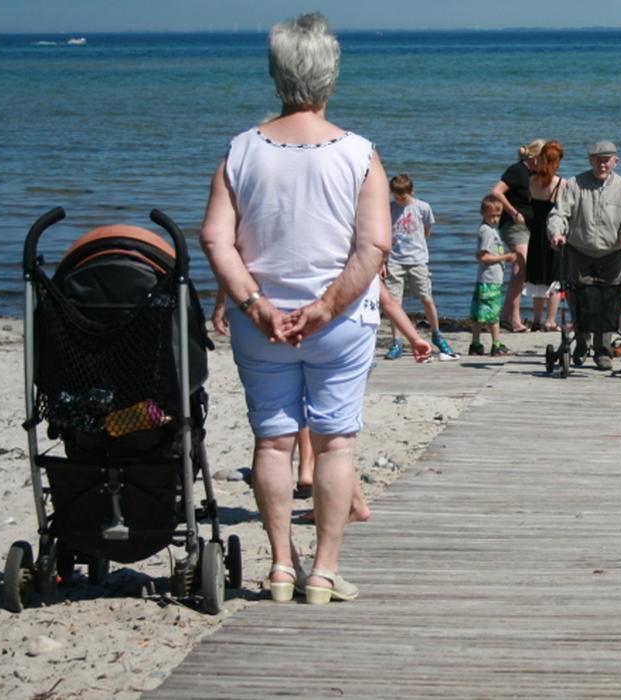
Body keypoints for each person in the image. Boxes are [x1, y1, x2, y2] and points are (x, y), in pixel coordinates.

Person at [200, 12, 385, 605]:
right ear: (330, 77)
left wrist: (255, 304)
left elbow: (215, 239)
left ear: (276, 75)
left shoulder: (240, 151)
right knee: (335, 443)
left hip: (263, 325)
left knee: (273, 443)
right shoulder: (358, 153)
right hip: (339, 323)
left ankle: (282, 566)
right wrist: (325, 307)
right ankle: (323, 572)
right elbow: (373, 246)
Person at [211, 285, 426, 523]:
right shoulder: (353, 271)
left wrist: (222, 303)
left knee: (326, 434)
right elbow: (389, 302)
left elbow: (233, 270)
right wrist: (415, 338)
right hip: (340, 343)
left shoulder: (347, 274)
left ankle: (334, 494)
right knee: (331, 436)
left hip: (333, 349)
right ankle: (349, 501)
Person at [548, 140, 621, 371]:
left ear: (615, 162)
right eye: (598, 160)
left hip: (612, 253)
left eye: (606, 160)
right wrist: (556, 232)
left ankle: (602, 351)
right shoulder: (575, 184)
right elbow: (559, 214)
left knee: (608, 300)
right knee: (579, 297)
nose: (602, 164)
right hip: (579, 251)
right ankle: (581, 343)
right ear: (591, 161)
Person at [382, 174, 453, 360]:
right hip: (394, 260)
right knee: (394, 303)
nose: (399, 199)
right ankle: (396, 342)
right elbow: (384, 233)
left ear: (411, 191)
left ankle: (437, 335)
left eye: (403, 196)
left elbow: (427, 230)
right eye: (396, 196)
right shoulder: (389, 208)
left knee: (426, 298)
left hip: (417, 259)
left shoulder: (422, 207)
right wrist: (382, 261)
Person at [491, 140, 543, 333]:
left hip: (529, 226)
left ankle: (506, 315)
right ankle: (513, 319)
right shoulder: (517, 170)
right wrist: (514, 212)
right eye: (543, 158)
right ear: (535, 157)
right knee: (520, 266)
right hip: (513, 224)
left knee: (522, 269)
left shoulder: (534, 174)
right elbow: (496, 192)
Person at [468, 197, 516, 356]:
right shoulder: (488, 232)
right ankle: (496, 345)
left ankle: (475, 344)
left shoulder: (487, 229)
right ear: (483, 213)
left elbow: (479, 255)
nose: (495, 219)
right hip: (490, 280)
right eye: (492, 216)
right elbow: (484, 257)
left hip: (485, 279)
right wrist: (506, 257)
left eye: (498, 216)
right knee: (493, 313)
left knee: (478, 312)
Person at [525, 141, 565, 332]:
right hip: (552, 232)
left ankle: (536, 319)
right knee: (554, 277)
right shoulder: (560, 183)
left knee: (537, 277)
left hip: (535, 232)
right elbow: (563, 210)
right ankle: (550, 320)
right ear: (556, 162)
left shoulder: (532, 181)